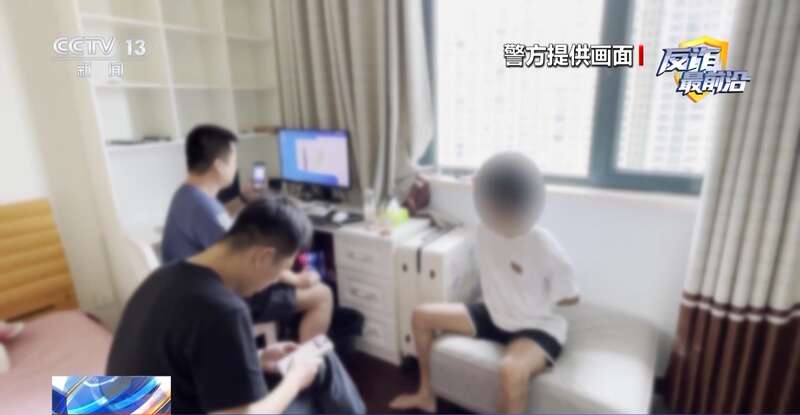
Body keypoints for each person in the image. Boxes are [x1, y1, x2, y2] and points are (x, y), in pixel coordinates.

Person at [107, 198, 365, 414]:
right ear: (262, 257)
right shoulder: (222, 309)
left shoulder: (162, 277)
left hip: (123, 406)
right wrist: (295, 380)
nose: (275, 282)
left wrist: (257, 358)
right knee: (321, 368)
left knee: (312, 363)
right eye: (280, 272)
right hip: (161, 406)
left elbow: (184, 363)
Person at [389, 152, 580, 413]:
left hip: (536, 327)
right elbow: (479, 184)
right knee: (421, 316)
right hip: (493, 314)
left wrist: (536, 283)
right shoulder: (484, 227)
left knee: (511, 370)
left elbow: (571, 297)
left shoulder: (544, 245)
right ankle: (425, 394)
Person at [161, 124, 333, 342]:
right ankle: (309, 359)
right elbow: (246, 257)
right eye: (234, 160)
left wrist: (242, 199)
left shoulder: (186, 195)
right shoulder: (204, 208)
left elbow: (221, 224)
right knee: (323, 294)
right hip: (222, 297)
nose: (236, 166)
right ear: (219, 165)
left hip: (189, 293)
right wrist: (298, 280)